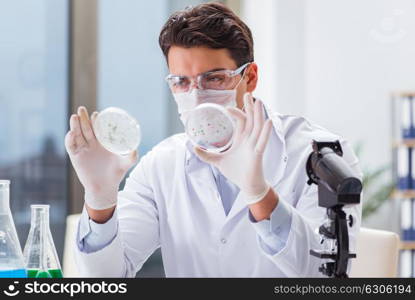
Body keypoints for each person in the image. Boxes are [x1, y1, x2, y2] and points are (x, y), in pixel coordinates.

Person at [65, 2, 362, 277]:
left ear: (250, 77)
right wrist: (100, 198)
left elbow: (319, 274)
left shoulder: (321, 157)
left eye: (214, 78)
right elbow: (108, 277)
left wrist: (258, 192)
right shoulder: (161, 165)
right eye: (181, 82)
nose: (196, 95)